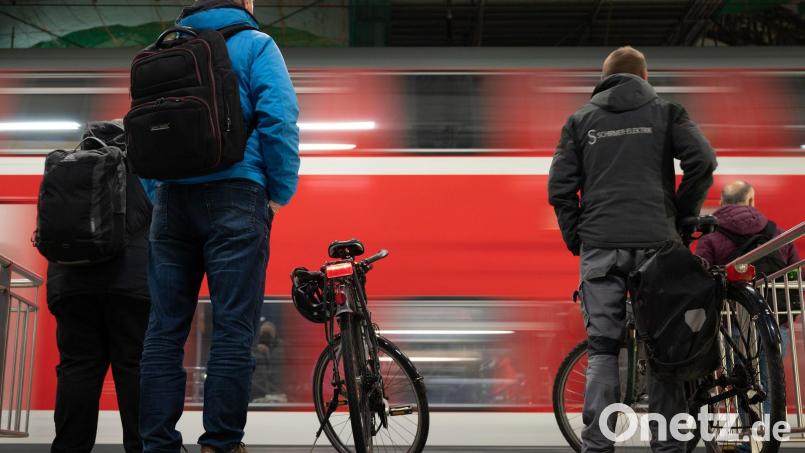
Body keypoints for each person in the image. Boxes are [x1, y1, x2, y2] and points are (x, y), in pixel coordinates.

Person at [137, 0, 300, 452]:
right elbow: (279, 120)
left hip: (171, 201)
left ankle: (157, 445)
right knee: (232, 328)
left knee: (164, 330)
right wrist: (278, 192)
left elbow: (143, 134)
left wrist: (159, 193)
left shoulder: (163, 49)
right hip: (236, 194)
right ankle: (220, 444)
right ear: (244, 4)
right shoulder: (255, 45)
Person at [548, 46, 717, 453]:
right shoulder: (666, 112)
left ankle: (597, 445)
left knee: (603, 348)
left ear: (604, 77)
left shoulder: (580, 121)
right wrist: (681, 215)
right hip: (658, 244)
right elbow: (703, 162)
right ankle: (668, 446)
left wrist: (578, 236)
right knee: (663, 346)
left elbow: (560, 188)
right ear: (644, 76)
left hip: (601, 246)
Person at [46, 121, 152, 453]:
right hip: (130, 284)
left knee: (78, 367)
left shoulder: (68, 169)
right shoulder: (143, 168)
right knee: (133, 366)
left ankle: (68, 448)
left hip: (71, 283)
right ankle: (144, 446)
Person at [695, 180, 801, 347]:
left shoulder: (709, 237)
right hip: (772, 321)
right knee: (770, 372)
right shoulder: (779, 234)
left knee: (734, 371)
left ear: (722, 202)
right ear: (751, 200)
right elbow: (796, 275)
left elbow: (700, 278)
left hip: (729, 324)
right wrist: (787, 319)